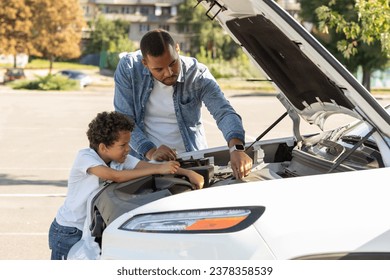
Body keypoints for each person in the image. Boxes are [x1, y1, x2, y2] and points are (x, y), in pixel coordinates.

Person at [48, 111, 204, 260]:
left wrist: (188, 173)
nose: (128, 149)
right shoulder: (86, 157)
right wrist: (159, 167)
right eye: (123, 145)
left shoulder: (120, 160)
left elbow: (146, 166)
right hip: (68, 230)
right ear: (103, 147)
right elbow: (115, 176)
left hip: (88, 230)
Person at [114, 29, 252, 179]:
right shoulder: (129, 69)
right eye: (158, 69)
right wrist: (151, 151)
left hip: (191, 162)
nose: (168, 73)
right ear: (145, 63)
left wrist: (236, 148)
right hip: (146, 163)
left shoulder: (197, 75)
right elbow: (124, 120)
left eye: (173, 63)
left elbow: (224, 112)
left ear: (178, 49)